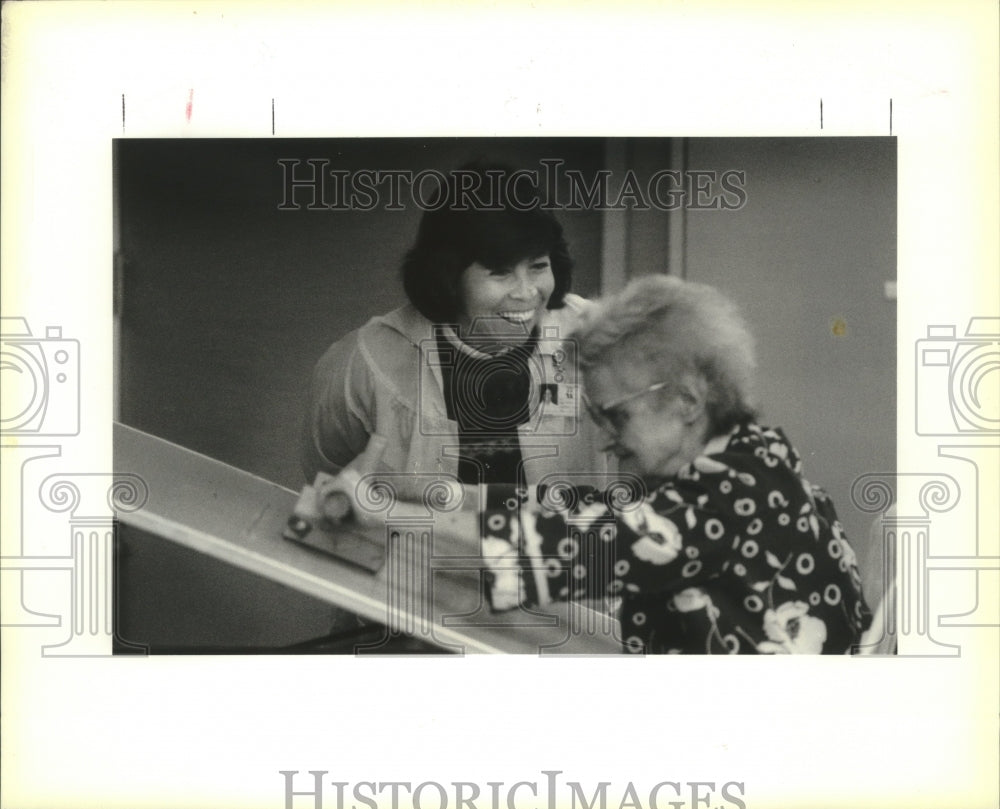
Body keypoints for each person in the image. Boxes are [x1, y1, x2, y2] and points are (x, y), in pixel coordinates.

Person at [478, 274, 872, 654]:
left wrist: (429, 529)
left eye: (616, 416)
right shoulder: (754, 464)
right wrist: (463, 498)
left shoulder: (727, 499)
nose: (602, 440)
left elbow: (538, 557)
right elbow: (604, 511)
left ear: (687, 400)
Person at [301, 160, 607, 505]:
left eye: (538, 266)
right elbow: (326, 480)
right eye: (500, 272)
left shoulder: (600, 337)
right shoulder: (364, 362)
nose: (526, 292)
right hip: (418, 557)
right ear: (448, 276)